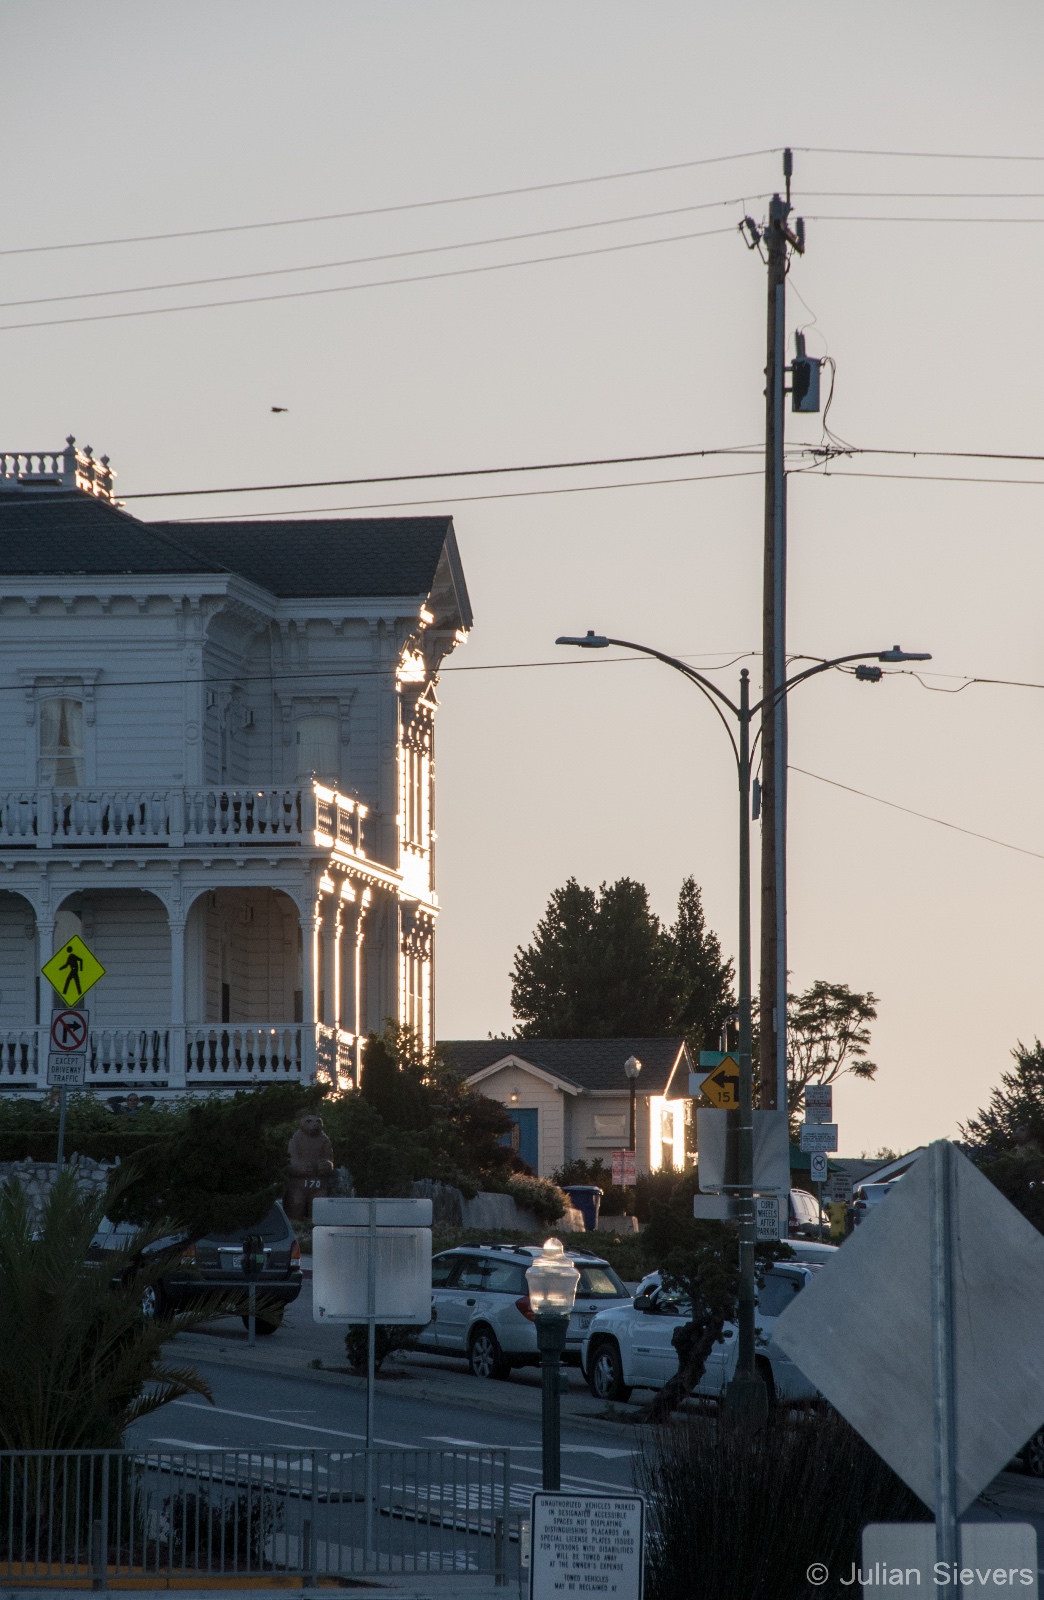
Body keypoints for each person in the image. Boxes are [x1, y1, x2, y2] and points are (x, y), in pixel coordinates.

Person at [284, 1113, 335, 1219]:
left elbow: (330, 1159)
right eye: (309, 1121)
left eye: (318, 1122)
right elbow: (290, 1161)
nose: (315, 1124)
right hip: (298, 1185)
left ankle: (315, 1228)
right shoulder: (296, 1138)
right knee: (296, 1204)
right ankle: (296, 1227)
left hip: (319, 1185)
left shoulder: (324, 1140)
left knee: (319, 1209)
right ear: (302, 1123)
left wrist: (328, 1165)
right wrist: (299, 1167)